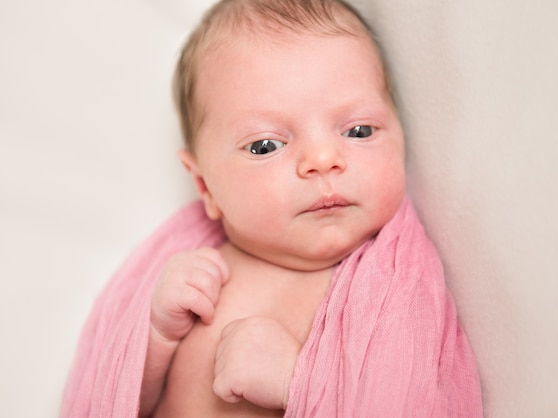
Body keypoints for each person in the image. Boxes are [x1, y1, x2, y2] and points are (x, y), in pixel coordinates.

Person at [62, 1, 483, 417]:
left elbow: (415, 403)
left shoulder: (396, 293)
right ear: (205, 186)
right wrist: (156, 335)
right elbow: (116, 398)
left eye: (358, 131)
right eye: (266, 145)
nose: (322, 158)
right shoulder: (194, 270)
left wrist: (297, 384)